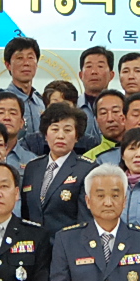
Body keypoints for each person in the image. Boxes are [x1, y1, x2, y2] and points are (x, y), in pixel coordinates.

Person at [20, 102, 94, 237]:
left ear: (77, 136)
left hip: (67, 245)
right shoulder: (32, 167)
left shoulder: (87, 170)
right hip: (34, 245)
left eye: (67, 130)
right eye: (54, 129)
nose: (60, 136)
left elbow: (86, 220)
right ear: (45, 134)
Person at [0, 89, 38, 172]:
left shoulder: (33, 162)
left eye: (13, 113)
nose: (7, 118)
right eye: (0, 112)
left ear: (21, 122)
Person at [2, 35, 46, 134]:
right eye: (20, 58)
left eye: (30, 58)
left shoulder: (42, 102)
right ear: (8, 65)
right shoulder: (0, 101)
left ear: (36, 64)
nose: (26, 63)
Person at [77, 46, 115, 140]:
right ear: (81, 75)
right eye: (89, 66)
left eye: (100, 66)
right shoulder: (72, 106)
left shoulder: (122, 107)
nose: (94, 72)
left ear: (111, 75)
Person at [82, 89, 128, 161]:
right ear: (96, 120)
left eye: (115, 111)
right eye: (103, 113)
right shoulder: (88, 159)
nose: (110, 119)